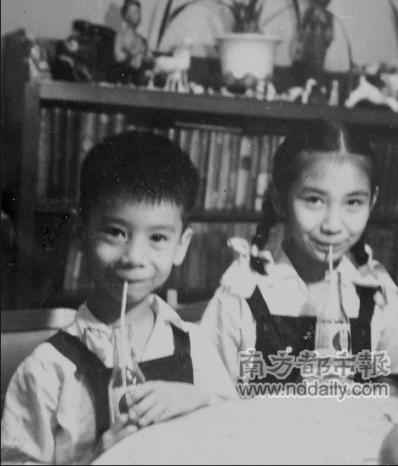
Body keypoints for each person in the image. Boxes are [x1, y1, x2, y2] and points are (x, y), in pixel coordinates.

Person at [1, 131, 238, 465]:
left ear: (181, 245)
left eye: (158, 237)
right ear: (81, 236)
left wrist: (200, 401)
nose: (134, 257)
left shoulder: (197, 348)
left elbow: (236, 440)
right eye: (115, 232)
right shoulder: (48, 369)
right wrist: (95, 459)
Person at [202, 119, 398, 390]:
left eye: (353, 202)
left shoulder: (376, 291)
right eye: (314, 200)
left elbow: (392, 379)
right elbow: (209, 389)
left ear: (372, 202)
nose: (333, 225)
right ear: (279, 199)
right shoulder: (242, 291)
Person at [113, 0, 153, 85]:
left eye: (139, 12)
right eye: (134, 12)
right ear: (126, 15)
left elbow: (150, 58)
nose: (138, 16)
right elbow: (118, 58)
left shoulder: (142, 40)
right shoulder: (120, 36)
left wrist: (144, 59)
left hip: (141, 81)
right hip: (124, 79)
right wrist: (132, 58)